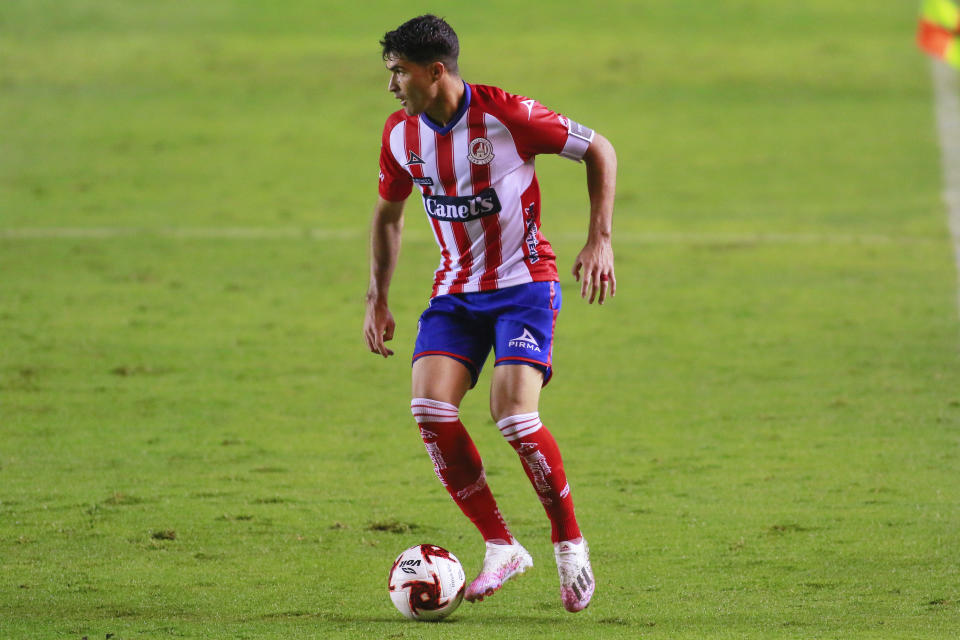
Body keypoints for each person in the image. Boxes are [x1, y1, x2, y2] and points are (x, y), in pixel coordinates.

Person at [363, 14, 617, 613]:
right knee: (428, 407)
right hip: (455, 292)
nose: (392, 85)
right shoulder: (400, 135)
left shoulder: (507, 116)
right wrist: (377, 295)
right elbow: (389, 215)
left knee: (513, 417)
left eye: (398, 73)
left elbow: (598, 148)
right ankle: (502, 545)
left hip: (524, 284)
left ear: (436, 70)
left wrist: (599, 237)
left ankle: (568, 542)